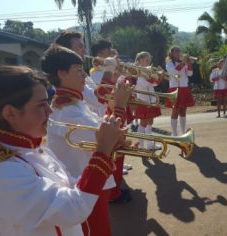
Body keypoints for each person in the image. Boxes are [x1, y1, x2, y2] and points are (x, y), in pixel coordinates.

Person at [0, 65, 127, 235]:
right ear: (10, 113)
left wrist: (106, 152)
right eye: (41, 105)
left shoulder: (31, 147)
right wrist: (102, 152)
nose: (50, 110)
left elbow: (69, 187)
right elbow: (71, 209)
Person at [42, 45, 131, 235]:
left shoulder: (75, 103)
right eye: (78, 71)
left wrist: (113, 111)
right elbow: (108, 138)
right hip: (86, 185)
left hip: (93, 181)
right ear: (62, 74)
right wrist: (121, 107)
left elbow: (103, 131)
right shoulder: (67, 111)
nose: (84, 75)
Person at [134, 51, 163, 149]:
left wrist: (160, 75)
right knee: (143, 123)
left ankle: (150, 144)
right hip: (143, 100)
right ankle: (141, 145)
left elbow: (155, 84)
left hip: (151, 100)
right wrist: (148, 76)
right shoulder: (136, 71)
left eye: (149, 60)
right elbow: (144, 84)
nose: (149, 62)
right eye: (146, 60)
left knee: (150, 122)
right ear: (140, 60)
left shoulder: (147, 72)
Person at [165, 46, 195, 136]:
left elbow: (190, 74)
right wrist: (183, 62)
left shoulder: (183, 62)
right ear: (171, 53)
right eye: (176, 52)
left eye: (179, 51)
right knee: (175, 111)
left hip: (184, 87)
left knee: (183, 111)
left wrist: (189, 64)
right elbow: (175, 72)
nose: (178, 53)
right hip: (175, 88)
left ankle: (183, 132)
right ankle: (174, 133)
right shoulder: (169, 63)